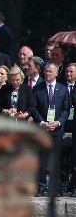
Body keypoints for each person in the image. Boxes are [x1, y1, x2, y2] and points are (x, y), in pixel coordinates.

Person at [29, 62, 70, 195]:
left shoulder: (63, 89)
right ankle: (41, 187)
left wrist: (58, 123)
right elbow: (33, 108)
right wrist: (41, 122)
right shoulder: (38, 88)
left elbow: (66, 110)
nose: (47, 74)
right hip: (42, 129)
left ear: (56, 73)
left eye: (50, 72)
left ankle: (55, 188)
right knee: (41, 159)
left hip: (57, 130)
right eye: (46, 71)